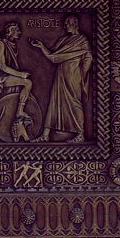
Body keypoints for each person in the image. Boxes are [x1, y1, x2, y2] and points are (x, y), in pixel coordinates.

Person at [30, 15, 93, 143]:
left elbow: (88, 58)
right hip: (60, 75)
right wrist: (41, 46)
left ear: (74, 24)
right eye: (64, 23)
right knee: (55, 101)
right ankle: (45, 135)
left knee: (74, 103)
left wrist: (81, 73)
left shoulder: (82, 40)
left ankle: (80, 134)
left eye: (67, 23)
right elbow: (53, 57)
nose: (65, 26)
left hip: (73, 76)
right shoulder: (63, 40)